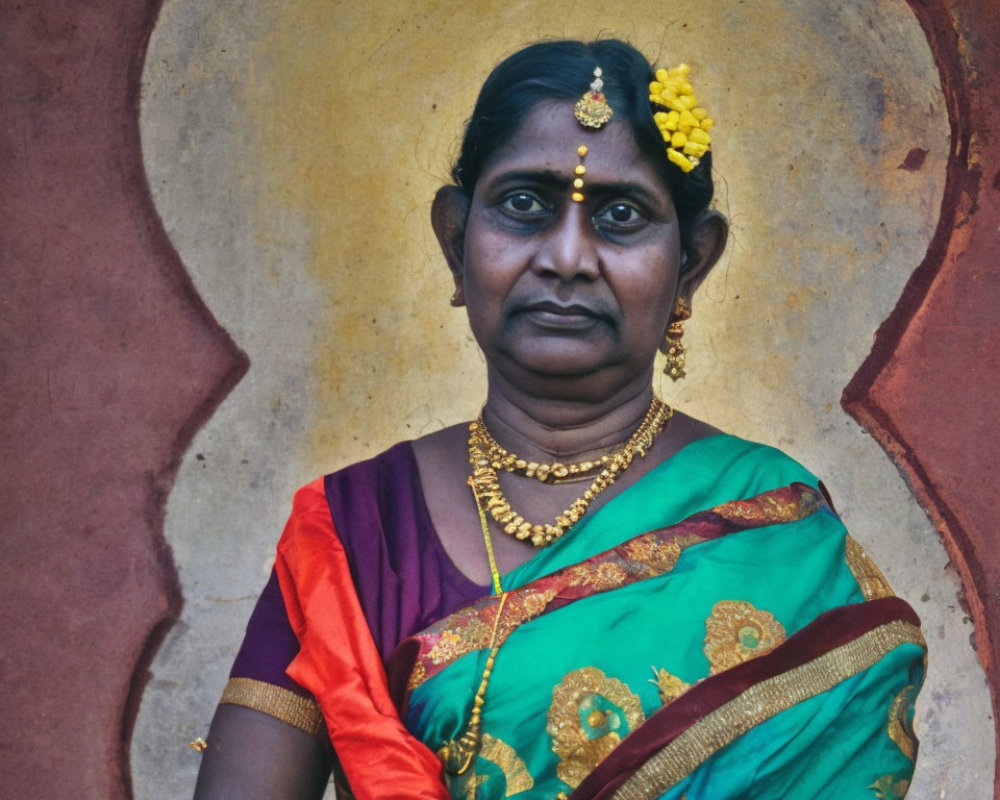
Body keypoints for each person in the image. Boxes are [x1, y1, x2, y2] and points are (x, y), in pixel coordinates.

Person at [193, 39, 925, 800]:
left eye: (621, 214)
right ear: (454, 238)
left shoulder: (777, 529)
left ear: (693, 264)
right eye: (524, 205)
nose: (567, 256)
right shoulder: (353, 531)